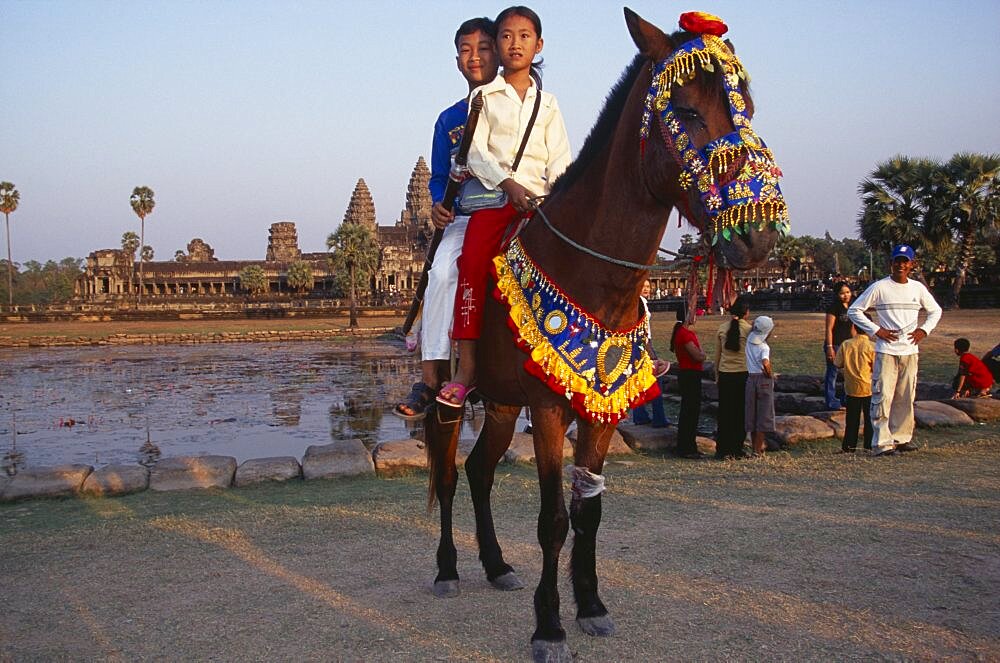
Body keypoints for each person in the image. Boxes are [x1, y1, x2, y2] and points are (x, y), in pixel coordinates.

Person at [437, 5, 571, 407]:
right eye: (507, 36)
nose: (515, 44)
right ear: (498, 45)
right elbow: (474, 153)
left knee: (592, 253)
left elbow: (560, 160)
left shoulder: (548, 105)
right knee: (472, 265)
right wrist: (510, 185)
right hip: (496, 200)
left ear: (539, 44)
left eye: (524, 36)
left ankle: (603, 353)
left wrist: (557, 200)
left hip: (541, 204)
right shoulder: (484, 96)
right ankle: (467, 369)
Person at [394, 17, 500, 420]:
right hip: (466, 214)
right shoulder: (449, 119)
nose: (475, 56)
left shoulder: (521, 104)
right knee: (439, 275)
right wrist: (439, 203)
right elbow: (439, 178)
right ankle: (432, 375)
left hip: (515, 210)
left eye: (484, 47)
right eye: (466, 50)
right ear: (457, 60)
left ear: (499, 51)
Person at [848, 244, 942, 456]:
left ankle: (902, 438)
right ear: (891, 263)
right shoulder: (880, 287)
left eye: (905, 261)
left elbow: (935, 311)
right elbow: (855, 310)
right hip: (886, 350)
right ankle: (881, 442)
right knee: (883, 395)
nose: (901, 265)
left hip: (910, 351)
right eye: (897, 261)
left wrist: (923, 330)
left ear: (911, 264)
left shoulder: (917, 288)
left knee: (905, 395)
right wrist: (876, 330)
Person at [714, 296, 751, 459]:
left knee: (724, 412)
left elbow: (717, 356)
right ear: (747, 313)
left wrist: (717, 376)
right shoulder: (749, 330)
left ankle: (722, 449)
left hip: (725, 374)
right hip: (742, 374)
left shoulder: (722, 328)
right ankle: (737, 448)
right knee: (739, 412)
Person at [632, 279, 671, 427]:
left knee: (639, 379)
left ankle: (640, 415)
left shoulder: (639, 302)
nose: (647, 289)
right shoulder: (640, 302)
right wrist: (651, 354)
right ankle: (659, 418)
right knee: (656, 379)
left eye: (648, 286)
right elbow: (641, 330)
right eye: (643, 286)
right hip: (644, 344)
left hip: (640, 344)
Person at [671, 304, 707, 459]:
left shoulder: (681, 333)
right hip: (690, 373)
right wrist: (703, 354)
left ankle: (687, 445)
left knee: (689, 411)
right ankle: (687, 447)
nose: (695, 316)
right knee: (690, 412)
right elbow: (698, 356)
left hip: (688, 373)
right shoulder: (685, 334)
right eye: (693, 314)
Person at [834, 322, 875, 452]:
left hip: (851, 388)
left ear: (854, 327)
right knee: (870, 419)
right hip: (869, 388)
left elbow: (837, 363)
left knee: (851, 420)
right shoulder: (872, 346)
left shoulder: (846, 344)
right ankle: (869, 445)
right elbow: (876, 368)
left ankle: (849, 446)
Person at [745, 315, 776, 456]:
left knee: (751, 413)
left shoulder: (748, 342)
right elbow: (765, 362)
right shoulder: (764, 347)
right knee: (763, 415)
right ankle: (758, 450)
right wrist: (770, 374)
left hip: (750, 378)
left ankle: (753, 447)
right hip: (762, 379)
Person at [823, 281, 856, 409]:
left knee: (850, 373)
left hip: (848, 344)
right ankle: (831, 400)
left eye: (847, 292)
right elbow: (829, 329)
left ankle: (846, 399)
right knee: (832, 373)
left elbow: (853, 328)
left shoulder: (853, 307)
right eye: (842, 293)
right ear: (837, 294)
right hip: (835, 344)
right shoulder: (833, 308)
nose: (845, 295)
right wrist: (829, 347)